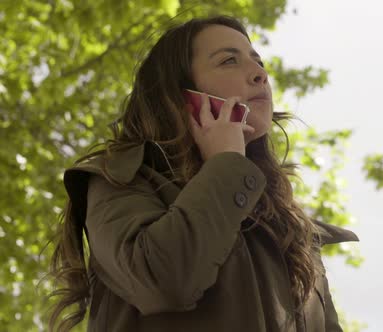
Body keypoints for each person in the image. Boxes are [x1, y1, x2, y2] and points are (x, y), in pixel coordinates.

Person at [47, 15, 359, 332]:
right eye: (228, 61)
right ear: (180, 97)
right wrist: (224, 163)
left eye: (258, 61)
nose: (259, 75)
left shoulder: (295, 229)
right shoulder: (119, 179)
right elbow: (163, 281)